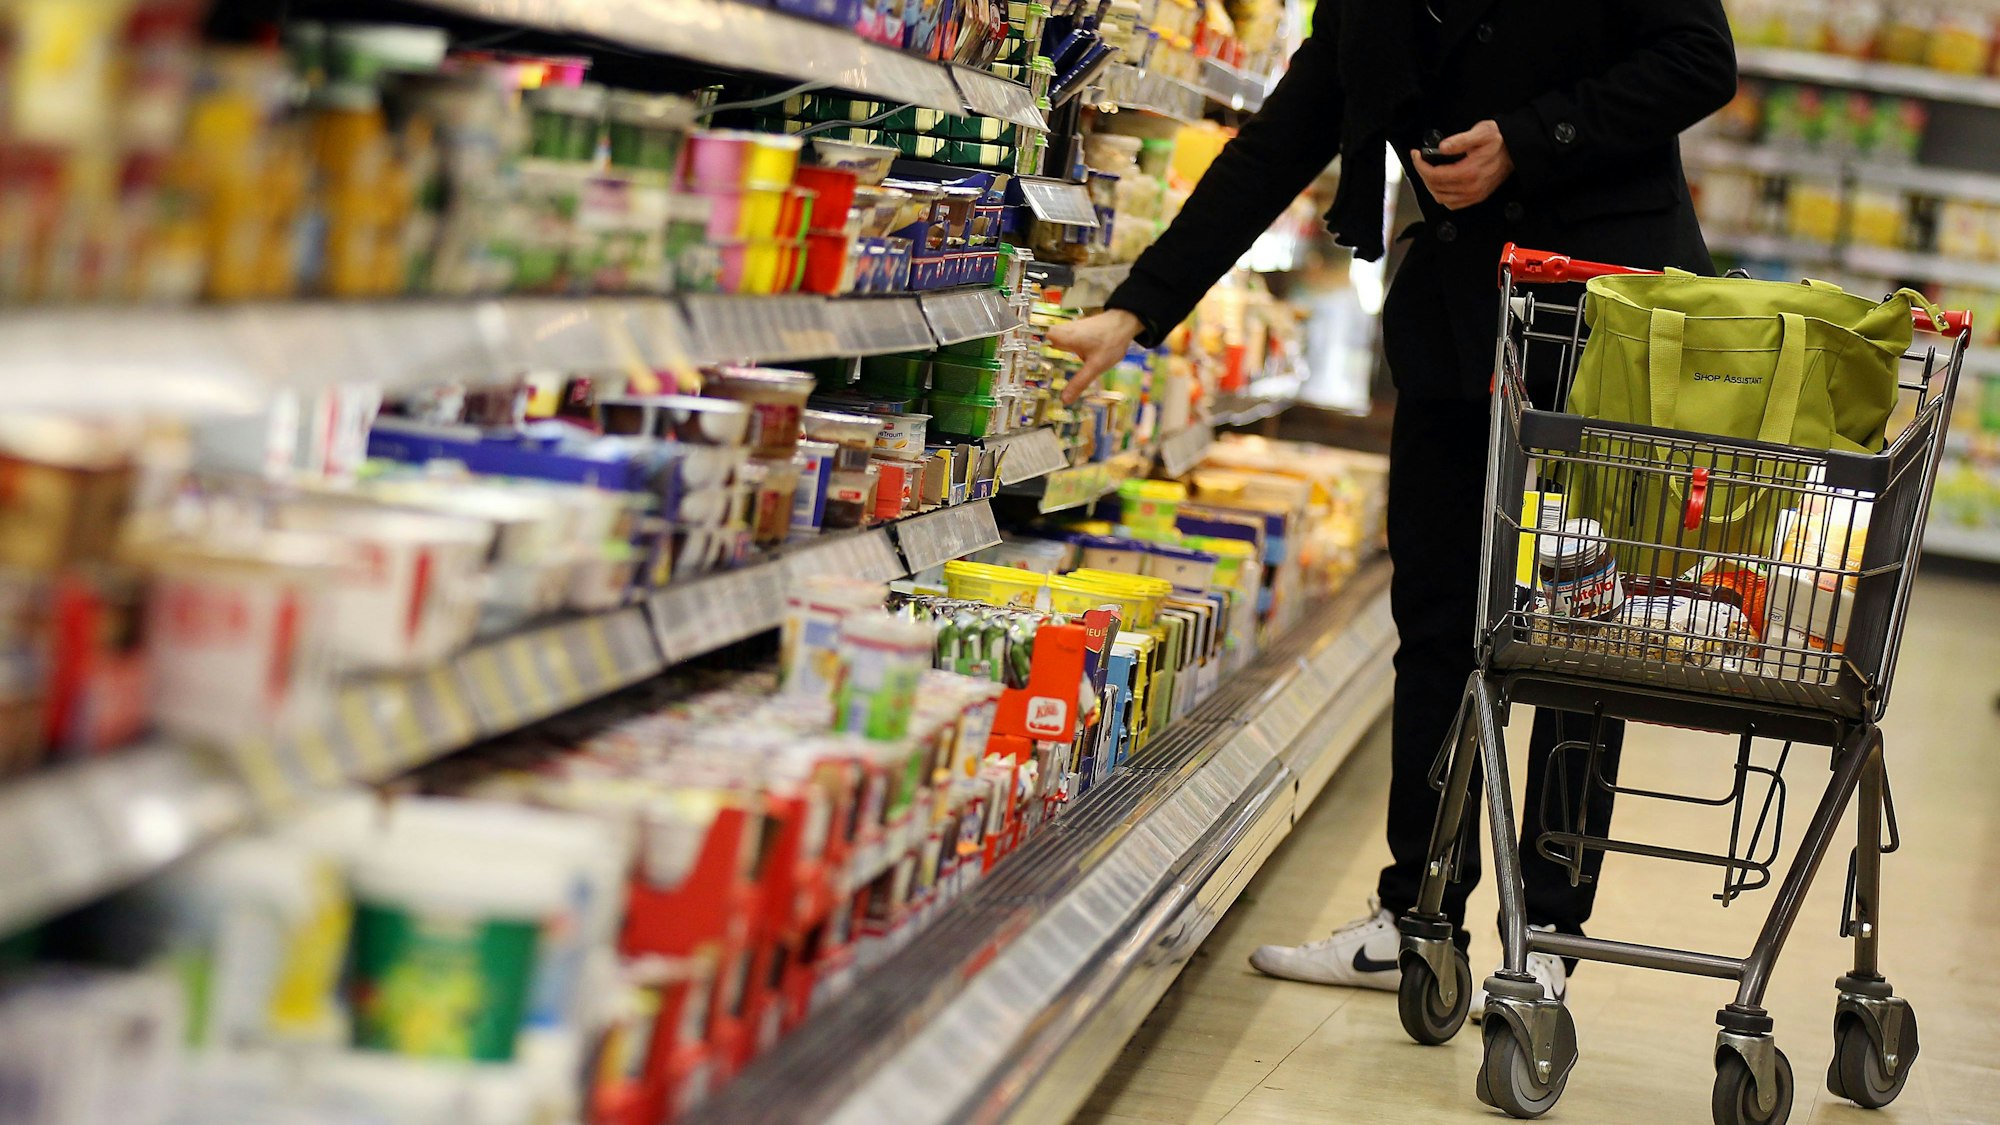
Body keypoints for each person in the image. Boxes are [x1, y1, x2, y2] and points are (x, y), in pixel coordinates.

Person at [1050, 1, 1737, 1012]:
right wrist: (1137, 305)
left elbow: (1696, 60)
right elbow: (1286, 132)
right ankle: (1415, 914)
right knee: (1434, 620)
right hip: (1460, 320)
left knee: (1579, 633)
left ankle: (1546, 930)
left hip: (1606, 322)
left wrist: (1524, 139)